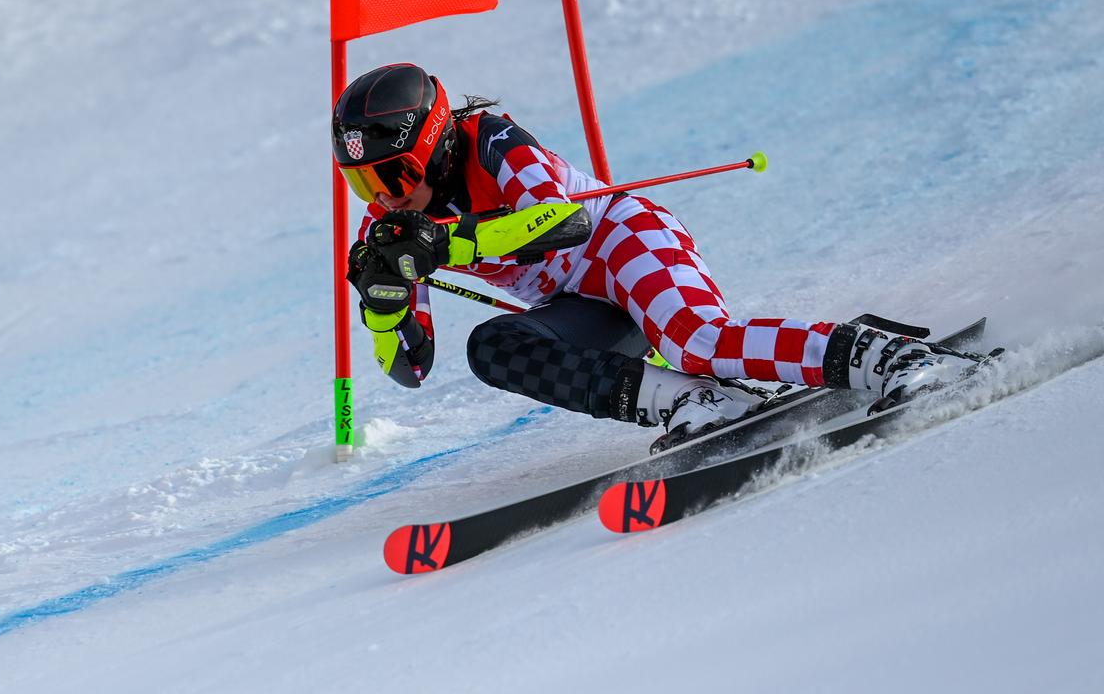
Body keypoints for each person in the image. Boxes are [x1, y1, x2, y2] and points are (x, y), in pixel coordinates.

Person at [334, 62, 982, 445]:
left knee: (697, 340)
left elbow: (557, 223)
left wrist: (446, 242)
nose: (383, 197)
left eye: (392, 176)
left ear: (437, 143)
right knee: (494, 347)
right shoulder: (393, 227)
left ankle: (892, 357)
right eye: (365, 182)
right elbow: (409, 369)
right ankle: (695, 403)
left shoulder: (490, 140)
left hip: (622, 238)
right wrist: (384, 303)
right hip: (577, 301)